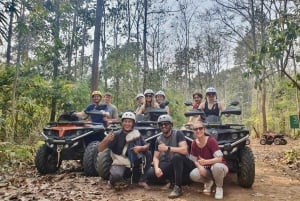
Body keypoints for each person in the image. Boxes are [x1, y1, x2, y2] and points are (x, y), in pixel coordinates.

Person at [139, 114, 195, 199]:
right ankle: (171, 180)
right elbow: (155, 157)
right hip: (170, 164)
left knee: (177, 157)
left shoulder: (178, 133)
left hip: (184, 164)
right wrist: (157, 168)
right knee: (150, 174)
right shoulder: (159, 139)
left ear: (171, 125)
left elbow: (184, 150)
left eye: (166, 124)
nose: (163, 126)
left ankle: (178, 187)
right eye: (161, 124)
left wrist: (168, 148)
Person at [98, 112, 152, 189]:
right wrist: (106, 140)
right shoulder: (116, 134)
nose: (127, 124)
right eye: (125, 121)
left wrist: (141, 148)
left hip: (134, 161)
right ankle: (111, 181)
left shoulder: (136, 133)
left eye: (129, 122)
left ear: (133, 123)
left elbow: (147, 145)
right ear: (122, 123)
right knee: (117, 175)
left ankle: (142, 180)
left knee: (148, 154)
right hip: (120, 162)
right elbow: (100, 149)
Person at [189, 121, 228, 200]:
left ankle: (219, 187)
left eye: (200, 128)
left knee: (217, 167)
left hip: (220, 166)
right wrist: (200, 167)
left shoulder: (211, 141)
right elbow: (194, 159)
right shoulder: (194, 143)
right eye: (195, 129)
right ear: (193, 131)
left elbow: (219, 159)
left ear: (204, 129)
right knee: (193, 174)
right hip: (207, 169)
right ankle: (208, 181)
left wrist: (206, 162)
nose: (198, 130)